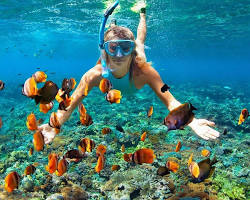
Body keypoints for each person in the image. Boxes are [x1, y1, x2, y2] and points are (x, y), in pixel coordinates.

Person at [39, 7, 220, 144]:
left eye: (126, 47)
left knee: (140, 41)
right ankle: (112, 26)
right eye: (113, 48)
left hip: (138, 56)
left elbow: (169, 99)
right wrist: (55, 125)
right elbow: (70, 104)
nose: (119, 55)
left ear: (131, 51)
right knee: (115, 34)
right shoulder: (94, 75)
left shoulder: (145, 71)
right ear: (106, 50)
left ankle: (142, 13)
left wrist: (190, 119)